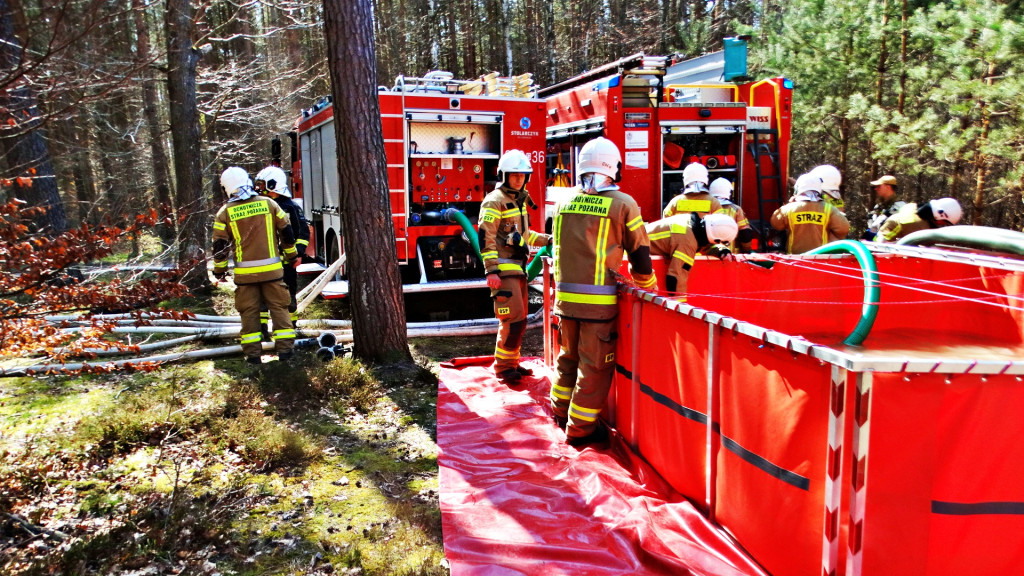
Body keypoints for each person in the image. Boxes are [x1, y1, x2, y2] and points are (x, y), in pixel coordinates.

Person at [550, 137, 657, 448]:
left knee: (567, 359)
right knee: (594, 368)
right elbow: (639, 253)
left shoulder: (563, 202)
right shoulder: (623, 204)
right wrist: (649, 289)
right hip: (598, 307)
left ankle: (559, 411)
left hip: (565, 302)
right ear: (614, 167)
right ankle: (580, 430)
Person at [478, 149, 551, 385]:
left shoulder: (519, 201)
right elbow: (485, 236)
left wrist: (548, 239)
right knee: (512, 320)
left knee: (519, 320)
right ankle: (503, 367)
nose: (519, 179)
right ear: (504, 175)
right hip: (503, 271)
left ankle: (511, 362)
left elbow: (526, 236)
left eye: (522, 175)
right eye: (514, 175)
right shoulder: (495, 200)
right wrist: (491, 271)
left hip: (518, 271)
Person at [212, 166, 298, 364]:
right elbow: (287, 233)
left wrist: (219, 270)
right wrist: (291, 255)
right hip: (273, 272)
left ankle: (252, 356)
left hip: (245, 276)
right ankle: (285, 352)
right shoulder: (268, 203)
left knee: (249, 313)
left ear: (227, 187)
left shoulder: (225, 212)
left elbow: (220, 246)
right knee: (279, 309)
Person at [255, 165, 308, 330]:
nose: (259, 188)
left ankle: (290, 326)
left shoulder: (291, 207)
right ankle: (262, 329)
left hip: (287, 263)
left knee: (287, 296)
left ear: (273, 184)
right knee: (262, 297)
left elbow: (303, 232)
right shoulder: (260, 205)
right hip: (265, 261)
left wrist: (298, 253)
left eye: (262, 185)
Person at [646, 212, 738, 298]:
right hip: (635, 253)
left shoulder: (692, 224)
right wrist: (680, 307)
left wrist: (721, 250)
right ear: (717, 240)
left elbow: (704, 243)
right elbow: (675, 277)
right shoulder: (687, 242)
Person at [770, 173, 850, 254]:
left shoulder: (790, 209)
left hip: (794, 258)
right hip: (820, 258)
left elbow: (775, 223)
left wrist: (788, 204)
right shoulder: (828, 209)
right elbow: (844, 228)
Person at [874, 197, 962, 243]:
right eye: (944, 222)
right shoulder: (919, 225)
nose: (942, 224)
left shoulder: (913, 207)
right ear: (939, 214)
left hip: (881, 237)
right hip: (884, 248)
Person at [708, 177, 755, 252]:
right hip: (730, 257)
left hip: (707, 257)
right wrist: (747, 249)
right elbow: (745, 234)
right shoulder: (736, 210)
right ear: (729, 192)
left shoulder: (705, 209)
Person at [862, 174, 906, 240]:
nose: (876, 189)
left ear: (888, 187)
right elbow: (873, 228)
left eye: (879, 186)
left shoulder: (901, 206)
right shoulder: (878, 207)